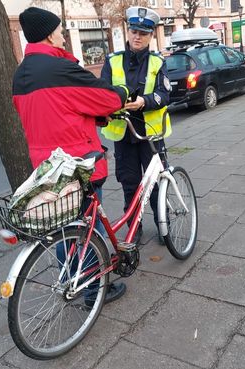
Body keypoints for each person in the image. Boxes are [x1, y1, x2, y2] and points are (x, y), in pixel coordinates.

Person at [12, 7, 130, 304]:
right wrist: (123, 94)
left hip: (47, 167)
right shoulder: (59, 69)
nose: (63, 36)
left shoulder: (22, 74)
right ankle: (93, 289)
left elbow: (56, 111)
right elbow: (106, 98)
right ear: (49, 35)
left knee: (64, 227)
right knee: (90, 227)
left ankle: (72, 276)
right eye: (59, 30)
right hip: (79, 163)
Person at [101, 6, 172, 245]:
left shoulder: (157, 62)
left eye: (143, 32)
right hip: (123, 135)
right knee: (130, 185)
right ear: (128, 31)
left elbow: (165, 94)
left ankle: (165, 226)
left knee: (157, 183)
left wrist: (144, 101)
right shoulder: (112, 62)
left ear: (151, 35)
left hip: (151, 134)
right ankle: (135, 227)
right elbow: (102, 94)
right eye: (133, 31)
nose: (137, 36)